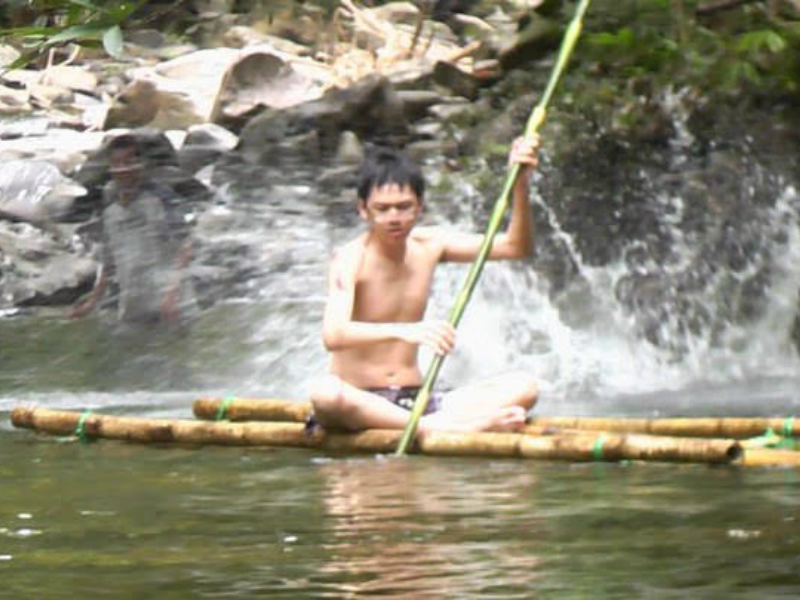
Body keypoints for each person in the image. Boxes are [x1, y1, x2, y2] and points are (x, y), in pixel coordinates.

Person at [310, 136, 541, 435]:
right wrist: (408, 331)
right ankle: (444, 428)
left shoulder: (430, 245)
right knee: (326, 394)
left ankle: (429, 424)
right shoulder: (350, 257)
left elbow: (514, 247)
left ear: (419, 207)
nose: (394, 218)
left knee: (525, 386)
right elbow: (333, 335)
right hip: (361, 402)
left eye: (404, 207)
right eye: (382, 209)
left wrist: (520, 183)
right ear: (363, 210)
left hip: (414, 401)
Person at [69, 134, 196, 325]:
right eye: (117, 163)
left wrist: (170, 298)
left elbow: (185, 248)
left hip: (172, 308)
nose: (123, 169)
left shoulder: (161, 199)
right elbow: (109, 260)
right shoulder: (110, 208)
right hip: (133, 308)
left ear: (142, 164)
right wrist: (92, 302)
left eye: (129, 162)